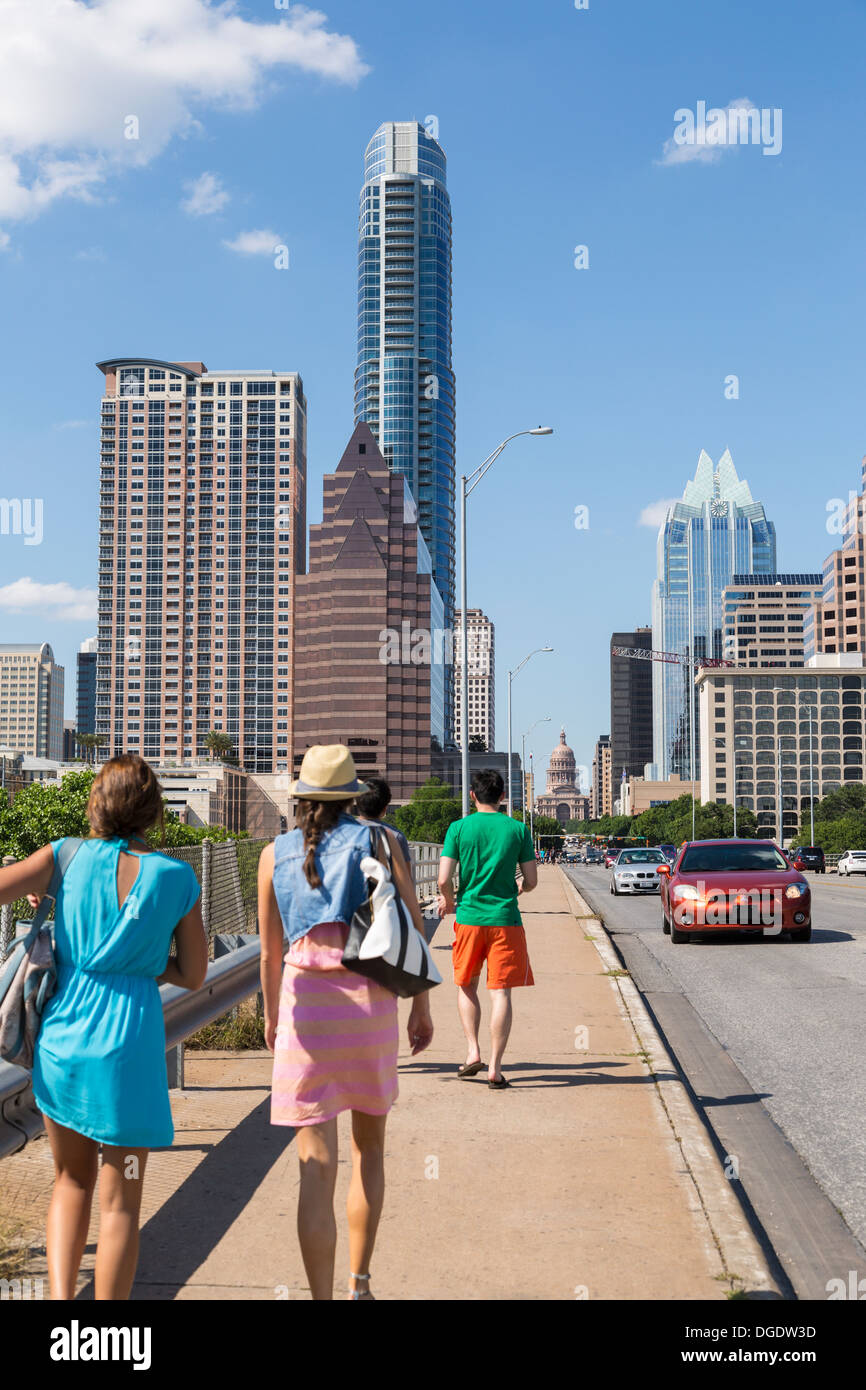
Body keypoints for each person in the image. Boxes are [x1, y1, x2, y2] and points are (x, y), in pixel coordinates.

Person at [0, 755, 206, 1300]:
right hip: (130, 1053)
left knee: (69, 1183)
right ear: (153, 810)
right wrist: (140, 960)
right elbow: (193, 973)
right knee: (122, 1203)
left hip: (64, 1044)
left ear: (97, 802)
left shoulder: (64, 855)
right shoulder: (176, 877)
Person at [258, 744, 434, 1301]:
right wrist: (421, 1006)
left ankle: (321, 1298)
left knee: (315, 1165)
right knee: (369, 1151)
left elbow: (268, 954)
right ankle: (360, 1284)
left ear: (302, 798)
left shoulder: (273, 854)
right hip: (369, 1007)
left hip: (305, 1013)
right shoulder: (379, 842)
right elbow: (411, 927)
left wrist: (271, 1018)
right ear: (352, 796)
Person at [436, 768, 537, 1090]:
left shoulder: (458, 828)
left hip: (468, 918)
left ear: (473, 795)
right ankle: (495, 1067)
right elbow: (532, 881)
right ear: (503, 796)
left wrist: (449, 900)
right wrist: (517, 889)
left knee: (466, 985)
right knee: (501, 993)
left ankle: (472, 1051)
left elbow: (442, 878)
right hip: (505, 920)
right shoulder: (518, 829)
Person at [353, 775, 414, 884]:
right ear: (385, 807)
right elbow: (406, 882)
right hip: (384, 898)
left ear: (357, 803)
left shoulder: (342, 832)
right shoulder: (395, 836)